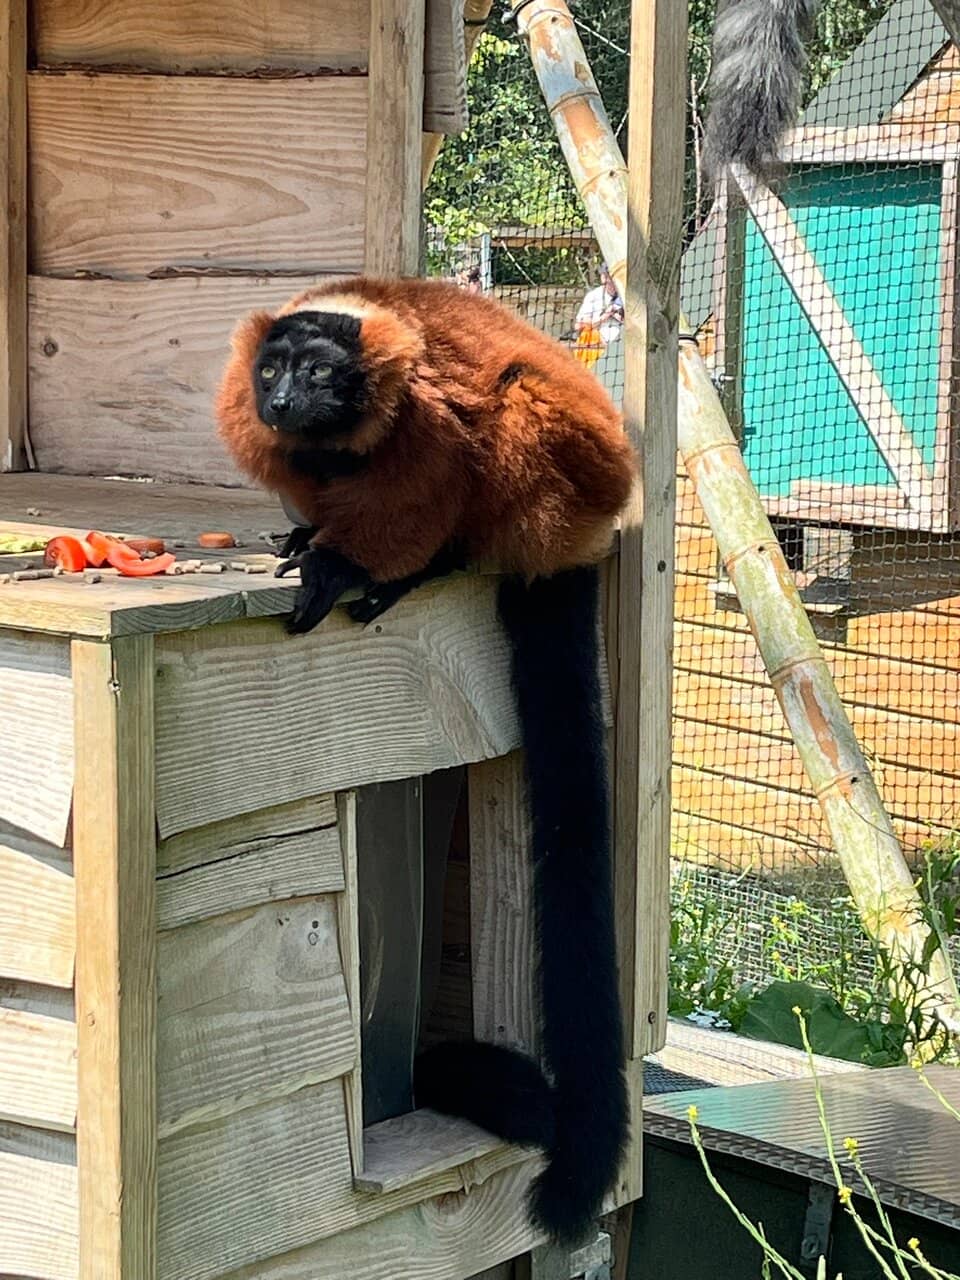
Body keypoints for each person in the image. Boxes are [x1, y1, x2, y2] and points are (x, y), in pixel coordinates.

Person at [575, 264, 624, 346]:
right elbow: (579, 325)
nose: (611, 281)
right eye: (608, 276)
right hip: (598, 345)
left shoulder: (628, 295)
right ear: (603, 278)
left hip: (624, 345)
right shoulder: (593, 296)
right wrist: (605, 316)